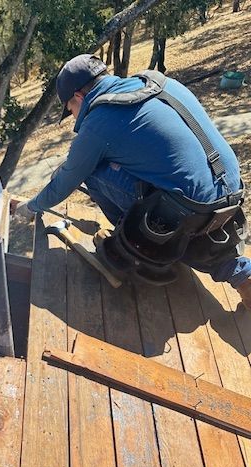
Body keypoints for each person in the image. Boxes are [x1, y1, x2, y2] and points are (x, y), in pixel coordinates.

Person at [16, 54, 251, 308]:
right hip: (232, 192)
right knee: (180, 199)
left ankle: (136, 246)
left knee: (92, 171)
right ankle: (241, 273)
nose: (73, 117)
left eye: (70, 110)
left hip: (191, 208)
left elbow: (66, 180)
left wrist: (30, 208)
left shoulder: (99, 121)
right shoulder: (160, 83)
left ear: (79, 98)